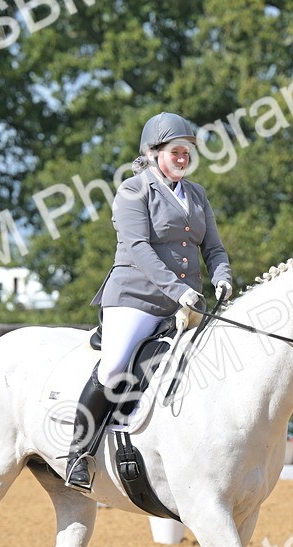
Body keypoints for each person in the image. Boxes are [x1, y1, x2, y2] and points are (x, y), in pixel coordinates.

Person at [64, 112, 234, 490]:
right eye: (176, 151)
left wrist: (222, 278)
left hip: (185, 303)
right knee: (112, 369)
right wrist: (178, 290)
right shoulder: (132, 190)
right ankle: (79, 454)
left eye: (187, 151)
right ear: (154, 152)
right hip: (135, 298)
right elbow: (139, 248)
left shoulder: (197, 194)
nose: (183, 158)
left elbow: (215, 248)